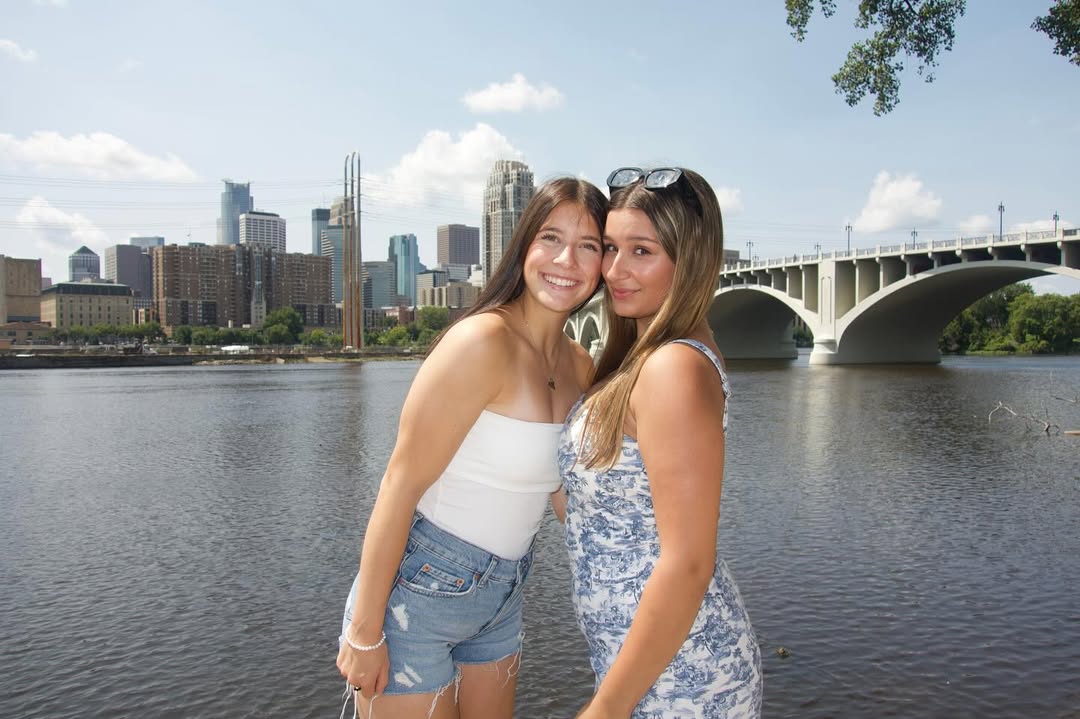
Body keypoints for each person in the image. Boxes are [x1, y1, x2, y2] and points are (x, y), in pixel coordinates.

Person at [336, 177, 607, 719]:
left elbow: (565, 492)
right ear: (523, 246)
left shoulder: (579, 365)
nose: (566, 261)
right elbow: (400, 484)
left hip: (503, 593)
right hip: (418, 592)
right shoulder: (481, 342)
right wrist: (364, 632)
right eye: (551, 238)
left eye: (588, 246)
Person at [559, 167, 763, 718]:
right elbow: (598, 516)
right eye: (610, 248)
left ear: (689, 260)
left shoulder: (673, 367)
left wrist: (604, 710)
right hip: (646, 664)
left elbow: (688, 564)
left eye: (642, 251)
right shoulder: (647, 355)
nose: (614, 270)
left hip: (684, 679)